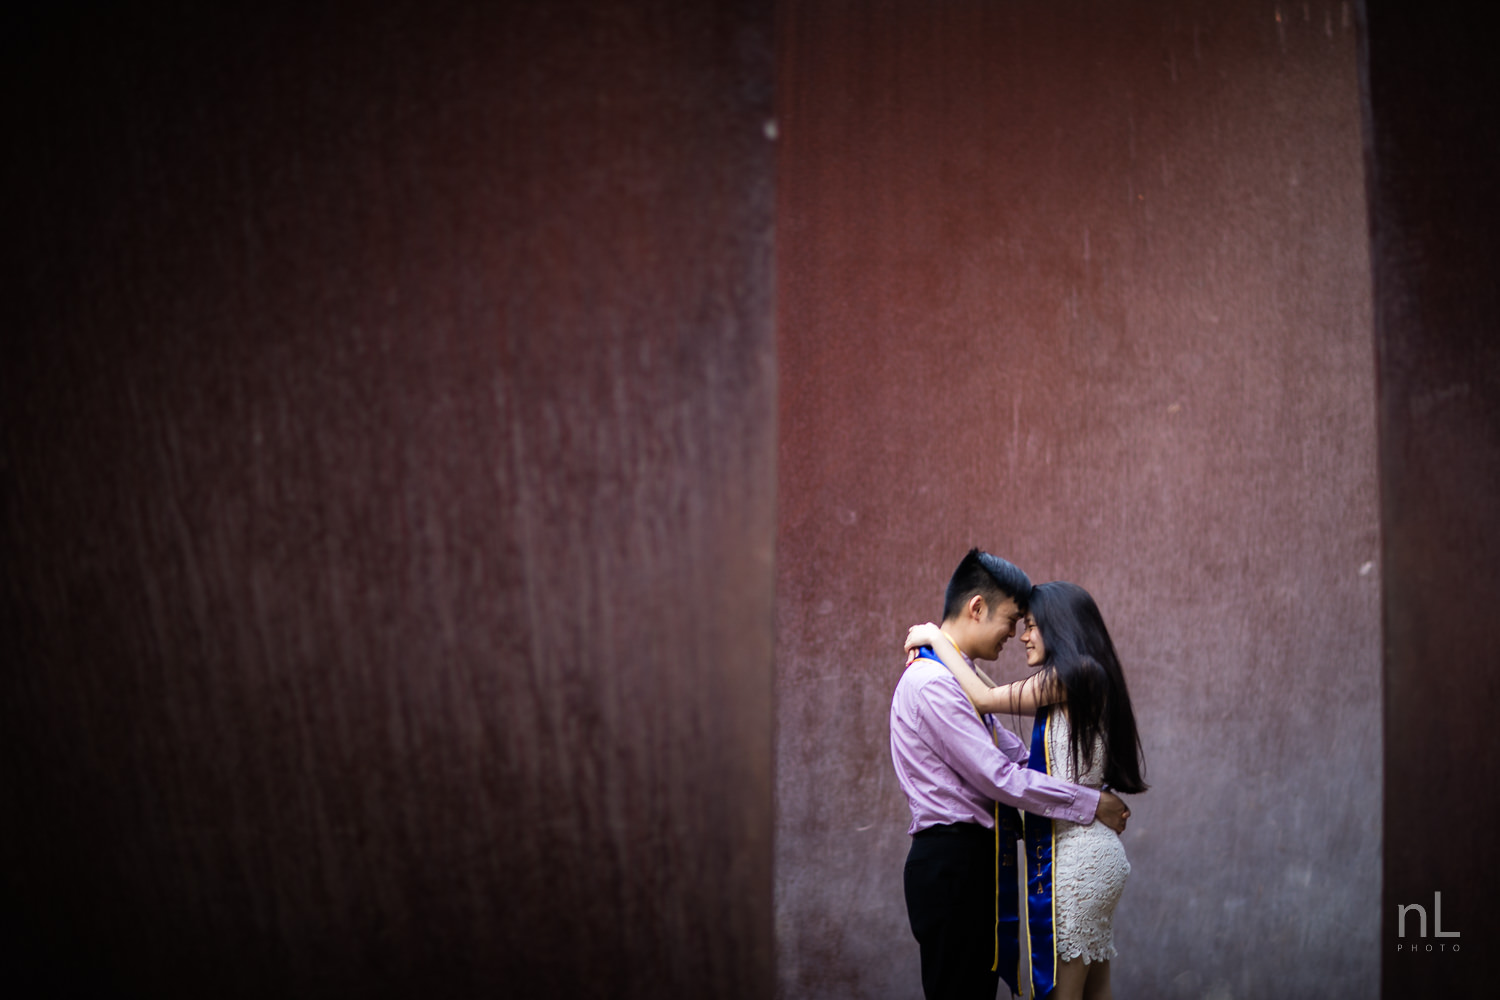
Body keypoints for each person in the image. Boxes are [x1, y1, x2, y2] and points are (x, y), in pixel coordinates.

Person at [890, 551, 1131, 1000]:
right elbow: (1000, 775)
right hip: (952, 863)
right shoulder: (933, 683)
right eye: (1013, 620)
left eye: (1030, 624)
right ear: (977, 608)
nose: (1016, 635)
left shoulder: (962, 678)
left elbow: (1017, 757)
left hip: (982, 860)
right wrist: (1090, 802)